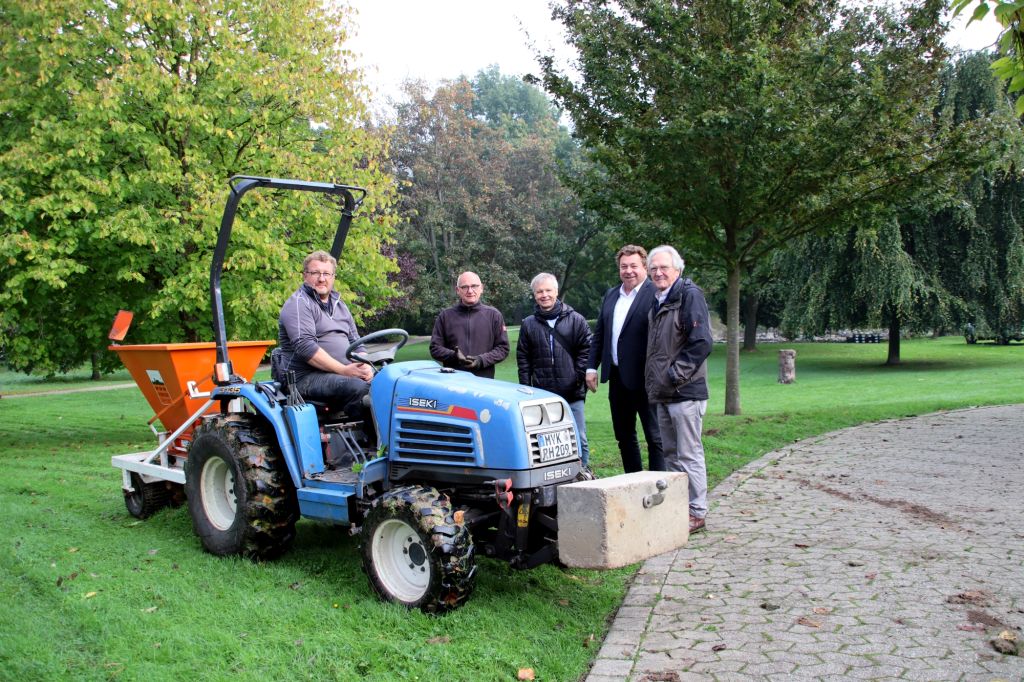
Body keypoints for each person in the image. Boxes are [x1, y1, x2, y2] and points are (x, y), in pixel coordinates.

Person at [645, 245, 713, 534]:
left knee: (689, 454)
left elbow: (701, 342)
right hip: (664, 393)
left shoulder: (689, 295)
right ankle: (678, 508)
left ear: (677, 269)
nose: (658, 273)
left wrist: (675, 375)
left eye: (664, 267)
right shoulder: (659, 299)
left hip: (685, 392)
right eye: (654, 269)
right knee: (671, 454)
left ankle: (697, 512)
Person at [586, 245, 665, 473]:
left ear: (645, 267)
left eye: (633, 266)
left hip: (646, 378)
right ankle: (633, 482)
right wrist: (592, 367)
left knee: (655, 437)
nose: (628, 271)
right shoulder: (612, 295)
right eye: (623, 266)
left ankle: (659, 486)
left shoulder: (655, 294)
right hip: (618, 378)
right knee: (624, 436)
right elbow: (600, 333)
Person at [275, 250, 373, 419]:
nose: (321, 278)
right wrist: (343, 370)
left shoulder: (340, 305)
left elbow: (356, 342)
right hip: (304, 378)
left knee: (392, 383)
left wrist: (365, 366)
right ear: (305, 275)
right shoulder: (299, 303)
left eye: (326, 273)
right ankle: (369, 441)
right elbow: (305, 347)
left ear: (333, 276)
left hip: (340, 374)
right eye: (315, 273)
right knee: (359, 388)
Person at [516, 273, 593, 467]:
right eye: (539, 291)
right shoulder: (528, 324)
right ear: (534, 295)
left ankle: (582, 475)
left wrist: (578, 376)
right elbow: (523, 358)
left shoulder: (576, 319)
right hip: (543, 393)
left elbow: (587, 349)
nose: (544, 295)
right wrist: (526, 388)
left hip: (572, 391)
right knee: (546, 441)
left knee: (578, 436)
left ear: (556, 291)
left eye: (548, 290)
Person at [430, 271, 509, 378]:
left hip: (484, 382)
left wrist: (481, 360)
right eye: (464, 287)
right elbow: (435, 348)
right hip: (452, 381)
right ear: (457, 290)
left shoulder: (494, 315)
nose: (470, 291)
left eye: (474, 286)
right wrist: (454, 356)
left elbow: (502, 348)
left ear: (481, 288)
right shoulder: (445, 316)